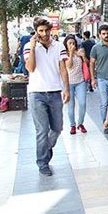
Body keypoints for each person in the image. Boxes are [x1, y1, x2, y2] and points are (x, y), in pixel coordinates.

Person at [24, 18, 70, 176]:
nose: (44, 34)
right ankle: (43, 162)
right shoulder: (29, 47)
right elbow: (31, 68)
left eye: (46, 30)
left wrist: (66, 89)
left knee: (57, 128)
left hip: (55, 92)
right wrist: (32, 47)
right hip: (36, 94)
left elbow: (63, 68)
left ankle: (46, 148)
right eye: (40, 31)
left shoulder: (58, 46)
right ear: (36, 31)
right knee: (42, 130)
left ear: (51, 30)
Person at [63, 36, 88, 134]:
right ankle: (72, 125)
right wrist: (71, 53)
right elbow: (69, 65)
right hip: (69, 83)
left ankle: (80, 123)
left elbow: (86, 62)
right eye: (70, 43)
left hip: (80, 81)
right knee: (71, 105)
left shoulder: (79, 52)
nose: (72, 45)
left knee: (82, 103)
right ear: (66, 44)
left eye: (73, 43)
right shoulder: (64, 55)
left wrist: (83, 56)